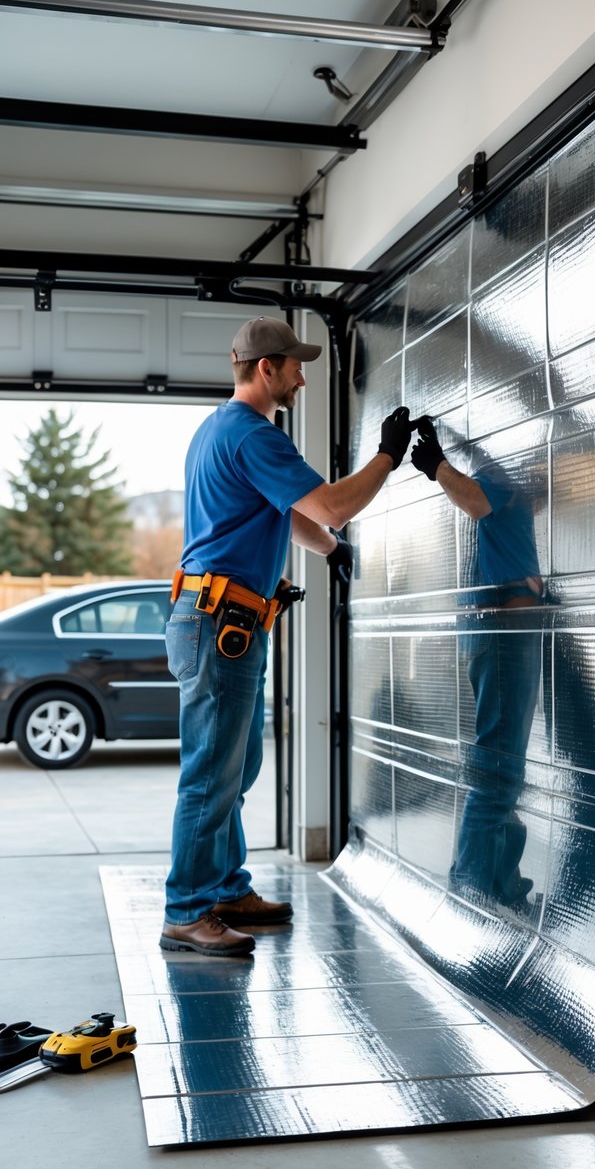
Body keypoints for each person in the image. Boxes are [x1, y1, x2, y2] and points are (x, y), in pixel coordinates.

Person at [161, 316, 419, 957]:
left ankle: (224, 887)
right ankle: (186, 911)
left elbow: (299, 516)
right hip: (221, 622)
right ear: (266, 367)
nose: (303, 374)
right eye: (295, 364)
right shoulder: (252, 434)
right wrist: (386, 457)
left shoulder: (218, 430)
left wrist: (330, 550)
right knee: (210, 775)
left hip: (225, 623)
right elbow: (328, 502)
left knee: (236, 767)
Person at [411, 418, 543, 909]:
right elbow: (476, 500)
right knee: (499, 763)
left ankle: (500, 886)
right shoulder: (496, 476)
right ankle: (473, 887)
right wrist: (439, 466)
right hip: (506, 634)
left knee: (505, 763)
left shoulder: (515, 481)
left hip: (504, 633)